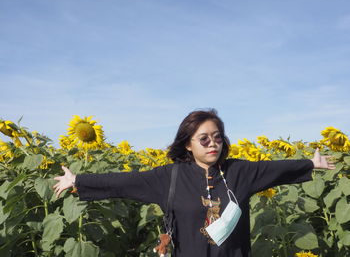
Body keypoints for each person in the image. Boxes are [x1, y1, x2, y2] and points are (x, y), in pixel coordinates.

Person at [53, 109, 335, 257]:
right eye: (204, 138)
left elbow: (275, 169)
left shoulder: (239, 172)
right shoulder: (169, 177)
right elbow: (125, 181)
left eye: (217, 136)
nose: (212, 143)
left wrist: (311, 164)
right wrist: (79, 180)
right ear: (188, 143)